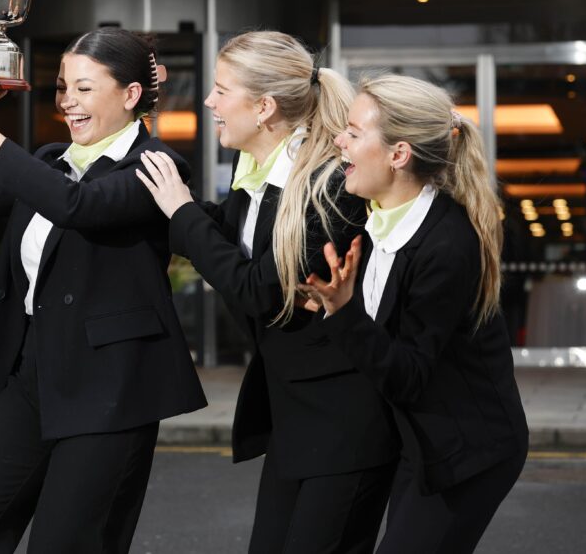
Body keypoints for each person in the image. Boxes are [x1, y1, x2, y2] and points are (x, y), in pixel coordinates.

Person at [0, 28, 207, 553]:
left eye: (83, 88)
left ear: (130, 95)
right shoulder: (51, 159)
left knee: (67, 544)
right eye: (60, 89)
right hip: (31, 373)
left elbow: (79, 207)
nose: (67, 102)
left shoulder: (157, 166)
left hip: (111, 386)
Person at [137, 31, 398, 553]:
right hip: (296, 414)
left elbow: (256, 287)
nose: (208, 102)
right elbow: (221, 237)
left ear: (263, 107)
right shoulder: (256, 172)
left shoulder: (327, 187)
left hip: (348, 421)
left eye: (219, 90)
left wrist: (182, 212)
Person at [300, 74, 528, 554]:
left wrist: (343, 314)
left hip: (469, 451)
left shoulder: (446, 244)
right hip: (421, 442)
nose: (339, 140)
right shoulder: (378, 220)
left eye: (354, 132)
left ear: (398, 155)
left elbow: (407, 374)